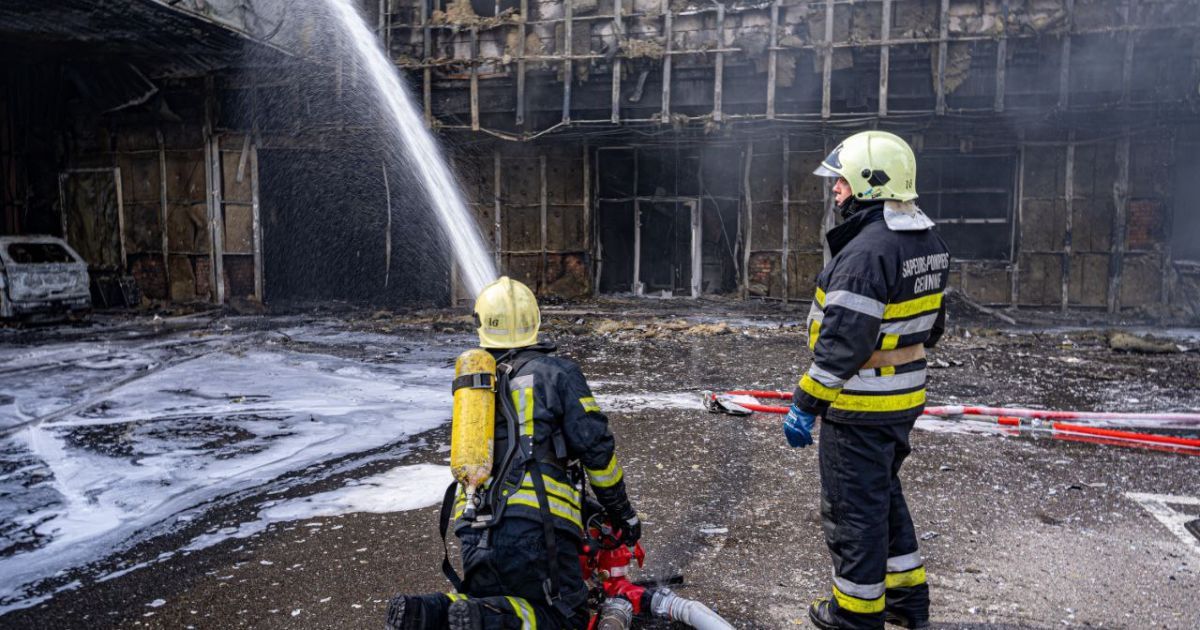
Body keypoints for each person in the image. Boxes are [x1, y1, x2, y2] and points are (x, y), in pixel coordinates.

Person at [387, 276, 641, 630]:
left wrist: (590, 509)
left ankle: (421, 613)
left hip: (474, 527)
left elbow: (512, 453)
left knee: (494, 604)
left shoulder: (478, 383)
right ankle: (476, 616)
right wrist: (621, 512)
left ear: (482, 325)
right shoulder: (558, 374)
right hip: (537, 530)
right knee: (564, 617)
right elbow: (596, 449)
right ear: (533, 321)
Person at [784, 131, 949, 630]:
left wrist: (805, 404)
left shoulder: (864, 254)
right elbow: (933, 328)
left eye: (840, 180)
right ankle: (905, 601)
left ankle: (854, 618)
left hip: (860, 406)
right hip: (901, 401)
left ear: (869, 183)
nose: (835, 189)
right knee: (884, 498)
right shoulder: (928, 241)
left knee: (854, 516)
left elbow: (841, 348)